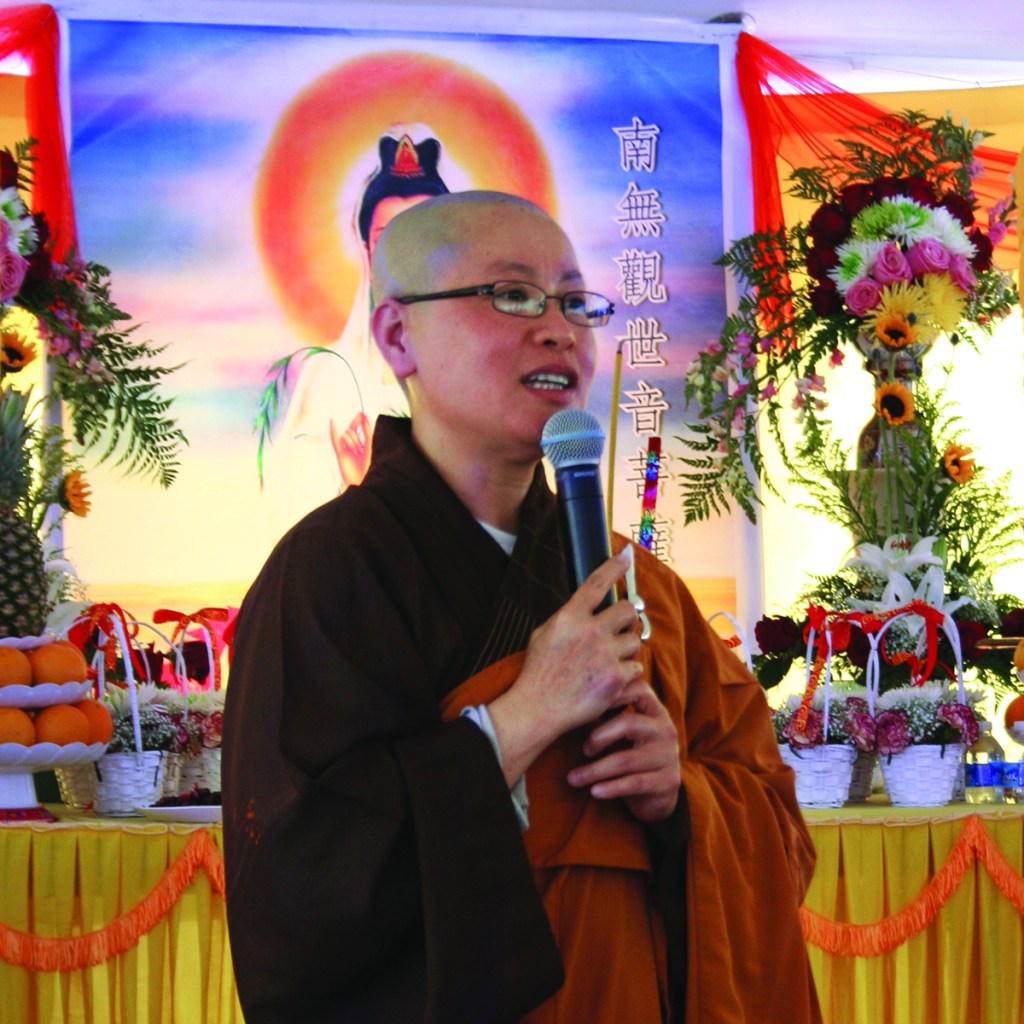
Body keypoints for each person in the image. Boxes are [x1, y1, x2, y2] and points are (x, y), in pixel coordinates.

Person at [223, 191, 821, 1023]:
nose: (558, 329)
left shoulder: (639, 582)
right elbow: (297, 889)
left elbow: (779, 833)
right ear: (399, 337)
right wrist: (518, 720)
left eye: (575, 302)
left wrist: (680, 796)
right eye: (511, 295)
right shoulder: (330, 572)